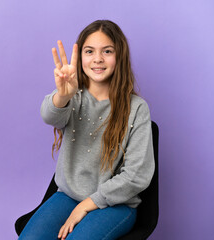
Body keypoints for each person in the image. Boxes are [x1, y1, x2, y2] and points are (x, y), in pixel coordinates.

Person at [18, 20, 155, 240]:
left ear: (119, 56)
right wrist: (63, 95)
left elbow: (136, 176)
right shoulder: (73, 96)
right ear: (80, 57)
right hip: (68, 196)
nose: (98, 59)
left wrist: (86, 205)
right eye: (89, 51)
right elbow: (49, 115)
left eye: (107, 51)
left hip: (115, 203)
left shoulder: (137, 109)